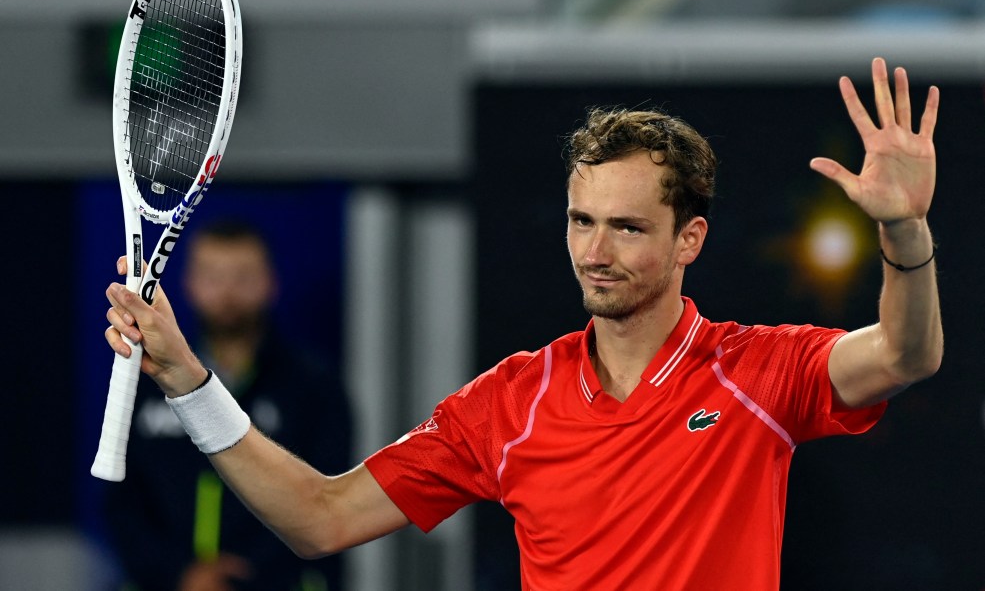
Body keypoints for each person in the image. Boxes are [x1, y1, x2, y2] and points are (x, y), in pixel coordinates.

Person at [103, 57, 942, 590]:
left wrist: (903, 231)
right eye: (581, 222)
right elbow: (322, 519)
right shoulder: (508, 402)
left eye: (627, 228)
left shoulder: (754, 371)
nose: (595, 252)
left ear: (689, 239)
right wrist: (187, 380)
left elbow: (906, 354)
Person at [103, 221, 353, 591]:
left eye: (243, 277)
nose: (228, 293)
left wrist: (242, 579)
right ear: (189, 283)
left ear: (271, 283)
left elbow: (333, 499)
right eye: (213, 277)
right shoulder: (146, 380)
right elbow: (122, 503)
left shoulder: (314, 387)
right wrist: (181, 574)